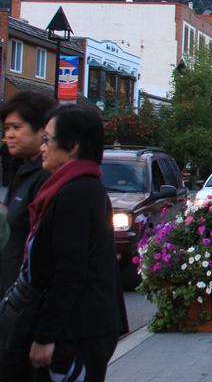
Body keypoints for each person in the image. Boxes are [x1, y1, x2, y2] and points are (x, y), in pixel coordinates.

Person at [7, 104, 126, 381]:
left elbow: (69, 271)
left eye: (48, 139)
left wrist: (46, 336)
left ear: (72, 146)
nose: (43, 146)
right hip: (78, 327)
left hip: (77, 332)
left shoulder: (77, 192)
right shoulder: (68, 186)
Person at [1, 92, 55, 295]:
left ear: (42, 130)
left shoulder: (45, 177)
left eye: (17, 127)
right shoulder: (21, 170)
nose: (10, 135)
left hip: (26, 298)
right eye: (7, 128)